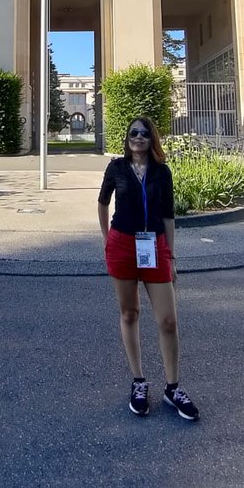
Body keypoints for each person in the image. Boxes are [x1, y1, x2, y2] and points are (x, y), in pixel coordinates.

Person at [97, 116, 199, 421]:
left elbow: (168, 217)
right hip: (123, 246)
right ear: (127, 138)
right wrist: (107, 240)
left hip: (154, 247)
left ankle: (172, 388)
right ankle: (139, 381)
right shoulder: (116, 168)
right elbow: (102, 203)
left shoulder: (162, 172)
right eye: (133, 133)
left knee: (167, 320)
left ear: (151, 139)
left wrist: (172, 258)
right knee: (130, 313)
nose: (137, 137)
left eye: (143, 133)